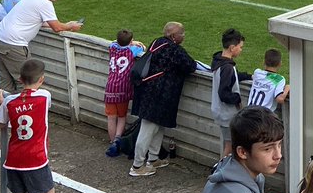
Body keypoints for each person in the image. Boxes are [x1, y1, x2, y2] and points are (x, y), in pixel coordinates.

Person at [0, 0, 82, 93]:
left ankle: (6, 108)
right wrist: (70, 26)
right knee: (26, 80)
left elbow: (43, 22)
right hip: (13, 44)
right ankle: (24, 109)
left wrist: (66, 25)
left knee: (5, 80)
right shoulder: (45, 3)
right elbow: (56, 27)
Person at [129, 21, 196, 177]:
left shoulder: (157, 42)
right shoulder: (175, 50)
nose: (184, 36)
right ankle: (137, 166)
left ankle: (153, 159)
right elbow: (190, 66)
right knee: (148, 129)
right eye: (182, 33)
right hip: (159, 95)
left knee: (158, 127)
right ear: (173, 36)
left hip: (148, 92)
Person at [0, 59, 56, 193]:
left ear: (20, 79)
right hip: (35, 157)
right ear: (41, 79)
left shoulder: (9, 101)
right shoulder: (45, 96)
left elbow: (0, 124)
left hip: (14, 158)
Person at [198, 107, 284, 193]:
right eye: (267, 149)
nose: (278, 155)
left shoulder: (223, 168)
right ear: (242, 152)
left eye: (279, 145)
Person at [211, 27, 251, 157]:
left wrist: (248, 76)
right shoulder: (227, 67)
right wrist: (237, 98)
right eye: (240, 47)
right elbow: (224, 94)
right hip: (227, 114)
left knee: (230, 144)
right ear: (232, 48)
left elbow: (233, 77)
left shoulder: (220, 62)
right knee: (230, 146)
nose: (241, 50)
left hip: (220, 112)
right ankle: (219, 173)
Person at [104, 29, 145, 156]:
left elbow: (113, 42)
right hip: (123, 88)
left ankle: (112, 142)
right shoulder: (131, 51)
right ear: (131, 41)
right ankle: (117, 141)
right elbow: (143, 48)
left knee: (111, 118)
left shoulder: (112, 48)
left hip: (110, 87)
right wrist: (135, 43)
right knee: (121, 117)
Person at [247, 49, 289, 113]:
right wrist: (287, 88)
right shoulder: (279, 79)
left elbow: (265, 77)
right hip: (263, 116)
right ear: (280, 64)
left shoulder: (257, 72)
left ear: (264, 62)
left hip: (248, 112)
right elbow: (280, 99)